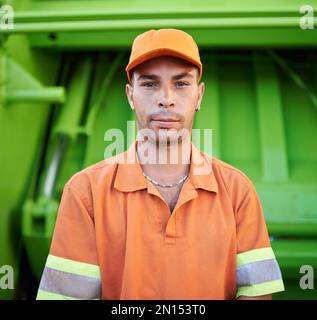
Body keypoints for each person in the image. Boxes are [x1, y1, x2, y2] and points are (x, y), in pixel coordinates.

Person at [36, 28, 285, 300]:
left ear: (199, 96)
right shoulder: (85, 193)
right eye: (150, 84)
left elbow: (257, 296)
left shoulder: (238, 191)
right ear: (130, 95)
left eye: (180, 84)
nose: (166, 98)